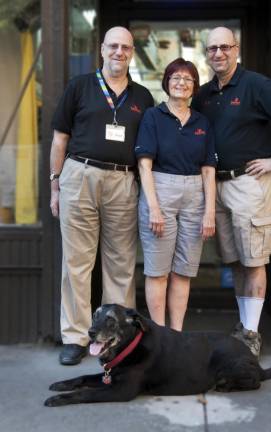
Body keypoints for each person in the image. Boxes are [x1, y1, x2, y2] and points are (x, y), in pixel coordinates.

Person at [192, 27, 271, 357]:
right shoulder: (204, 95)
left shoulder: (255, 85)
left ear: (236, 49)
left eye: (224, 47)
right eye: (212, 48)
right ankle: (245, 326)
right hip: (218, 185)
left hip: (249, 183)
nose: (218, 53)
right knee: (236, 261)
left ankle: (252, 333)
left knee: (254, 259)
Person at [50, 26, 154, 365]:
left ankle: (117, 336)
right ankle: (76, 337)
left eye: (125, 47)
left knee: (121, 264)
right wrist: (55, 185)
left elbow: (148, 151)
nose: (119, 52)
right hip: (80, 175)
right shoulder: (79, 87)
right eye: (113, 46)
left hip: (123, 182)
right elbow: (59, 140)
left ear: (132, 52)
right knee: (77, 263)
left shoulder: (142, 97)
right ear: (102, 49)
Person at [135, 58, 216, 331]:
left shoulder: (202, 121)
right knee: (158, 271)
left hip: (195, 195)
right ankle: (159, 333)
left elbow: (208, 170)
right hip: (160, 190)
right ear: (167, 83)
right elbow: (144, 165)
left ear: (194, 86)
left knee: (184, 271)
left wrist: (209, 212)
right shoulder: (153, 117)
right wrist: (154, 207)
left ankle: (176, 333)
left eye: (188, 79)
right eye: (175, 77)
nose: (181, 83)